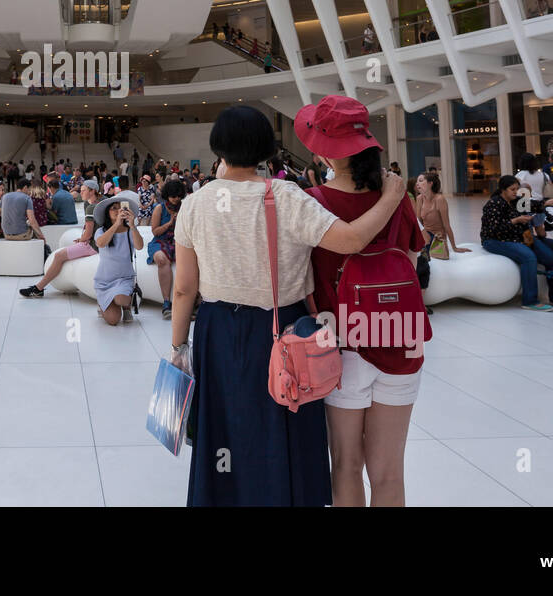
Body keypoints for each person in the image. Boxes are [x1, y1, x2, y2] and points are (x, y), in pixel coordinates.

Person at [168, 104, 406, 506]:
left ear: (219, 148)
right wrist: (391, 198)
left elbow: (183, 289)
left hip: (218, 331)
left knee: (225, 431)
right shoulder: (286, 196)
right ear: (265, 149)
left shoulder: (196, 202)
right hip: (286, 330)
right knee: (284, 426)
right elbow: (348, 240)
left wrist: (178, 348)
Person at [297, 96, 427, 507]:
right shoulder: (397, 196)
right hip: (402, 339)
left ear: (323, 152)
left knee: (347, 467)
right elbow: (409, 263)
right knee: (390, 473)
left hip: (345, 341)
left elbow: (302, 278)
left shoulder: (314, 201)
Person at [481, 175, 553, 312]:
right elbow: (494, 229)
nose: (516, 192)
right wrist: (516, 220)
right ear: (503, 190)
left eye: (517, 189)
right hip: (495, 240)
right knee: (528, 257)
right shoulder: (494, 204)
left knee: (550, 258)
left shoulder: (517, 201)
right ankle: (529, 301)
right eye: (512, 189)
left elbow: (536, 205)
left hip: (519, 237)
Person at [20, 181, 101, 298]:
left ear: (92, 191)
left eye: (83, 190)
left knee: (59, 256)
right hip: (100, 242)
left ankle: (38, 288)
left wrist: (82, 239)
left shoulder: (91, 207)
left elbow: (88, 235)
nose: (80, 193)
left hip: (93, 245)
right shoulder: (101, 202)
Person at [91, 193, 143, 324]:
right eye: (114, 208)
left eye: (121, 208)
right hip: (104, 281)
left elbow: (140, 246)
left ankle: (126, 307)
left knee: (122, 299)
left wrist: (132, 225)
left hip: (124, 279)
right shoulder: (101, 231)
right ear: (107, 213)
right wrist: (116, 224)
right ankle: (103, 304)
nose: (118, 210)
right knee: (113, 321)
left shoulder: (130, 230)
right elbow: (100, 243)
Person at [147, 179, 186, 320]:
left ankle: (192, 301)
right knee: (161, 260)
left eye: (178, 196)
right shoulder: (160, 208)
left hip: (179, 241)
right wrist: (170, 223)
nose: (176, 199)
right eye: (173, 196)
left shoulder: (184, 207)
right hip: (161, 240)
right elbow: (155, 231)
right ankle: (166, 301)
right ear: (167, 195)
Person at [413, 172, 467, 254]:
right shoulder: (419, 198)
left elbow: (446, 225)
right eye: (417, 181)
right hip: (426, 236)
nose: (417, 184)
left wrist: (454, 247)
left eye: (420, 181)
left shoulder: (440, 200)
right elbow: (419, 223)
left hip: (437, 238)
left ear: (430, 184)